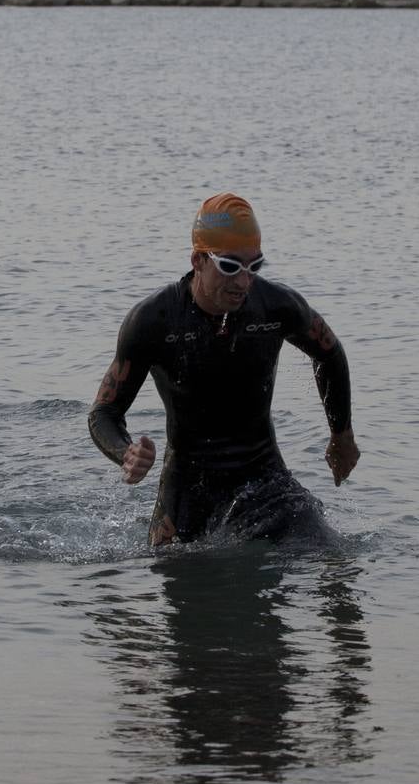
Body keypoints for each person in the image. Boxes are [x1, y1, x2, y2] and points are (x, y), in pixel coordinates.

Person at [88, 192, 359, 545]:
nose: (244, 282)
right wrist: (125, 452)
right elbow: (104, 412)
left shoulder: (276, 306)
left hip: (264, 475)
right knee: (169, 572)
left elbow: (330, 353)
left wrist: (341, 435)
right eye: (230, 267)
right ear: (198, 260)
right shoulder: (154, 320)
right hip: (188, 483)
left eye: (254, 266)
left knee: (332, 557)